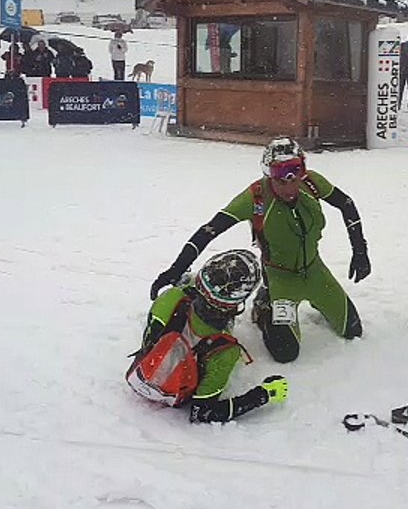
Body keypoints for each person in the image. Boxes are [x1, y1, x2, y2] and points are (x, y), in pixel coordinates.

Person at [149, 137, 370, 364]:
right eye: (280, 179)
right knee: (286, 353)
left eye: (295, 174)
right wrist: (176, 269)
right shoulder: (255, 198)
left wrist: (360, 250)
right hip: (281, 279)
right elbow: (209, 230)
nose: (289, 186)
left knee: (352, 331)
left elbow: (346, 203)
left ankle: (315, 301)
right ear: (269, 175)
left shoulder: (312, 183)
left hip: (315, 272)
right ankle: (265, 307)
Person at [127, 249, 289, 423]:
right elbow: (203, 412)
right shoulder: (225, 350)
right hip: (176, 394)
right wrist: (262, 395)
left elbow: (149, 342)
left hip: (141, 373)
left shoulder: (170, 298)